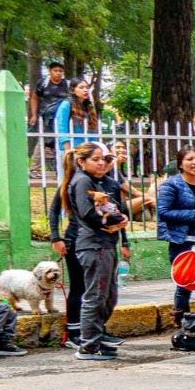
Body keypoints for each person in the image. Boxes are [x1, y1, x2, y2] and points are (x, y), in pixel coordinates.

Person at [63, 142, 127, 361]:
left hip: (106, 243)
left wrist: (119, 219)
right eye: (96, 159)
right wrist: (111, 220)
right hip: (93, 245)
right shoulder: (82, 181)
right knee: (95, 296)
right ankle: (88, 346)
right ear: (82, 162)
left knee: (108, 296)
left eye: (104, 159)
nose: (102, 163)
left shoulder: (101, 182)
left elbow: (115, 208)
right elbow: (88, 213)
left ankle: (95, 339)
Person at [157, 146, 195, 324]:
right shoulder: (171, 185)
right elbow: (163, 212)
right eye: (189, 159)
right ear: (180, 164)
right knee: (185, 281)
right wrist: (192, 214)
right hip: (182, 241)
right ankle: (180, 319)